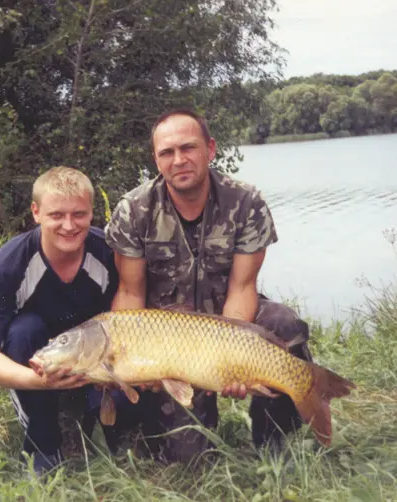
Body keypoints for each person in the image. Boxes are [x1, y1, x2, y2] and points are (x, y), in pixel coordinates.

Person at [104, 108, 313, 463]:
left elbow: (243, 288)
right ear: (156, 159)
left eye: (188, 148)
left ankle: (275, 434)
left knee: (284, 325)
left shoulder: (246, 202)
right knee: (189, 459)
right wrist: (137, 359)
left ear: (210, 149)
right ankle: (146, 427)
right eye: (167, 153)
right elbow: (129, 293)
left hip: (228, 318)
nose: (179, 160)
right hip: (168, 337)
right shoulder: (134, 209)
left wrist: (233, 362)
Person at [0, 166, 122, 476]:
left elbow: (128, 323)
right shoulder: (10, 264)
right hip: (39, 361)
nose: (68, 225)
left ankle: (101, 425)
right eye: (56, 215)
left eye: (79, 214)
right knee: (24, 330)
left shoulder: (108, 253)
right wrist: (37, 380)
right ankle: (43, 443)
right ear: (36, 212)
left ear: (92, 213)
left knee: (124, 399)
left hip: (97, 357)